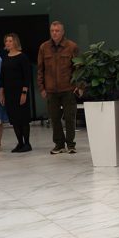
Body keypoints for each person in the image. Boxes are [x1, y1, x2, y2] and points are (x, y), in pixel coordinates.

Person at [37, 21, 80, 154]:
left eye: (57, 31)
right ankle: (59, 144)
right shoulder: (44, 47)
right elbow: (40, 69)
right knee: (54, 118)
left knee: (69, 118)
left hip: (68, 88)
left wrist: (79, 86)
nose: (54, 33)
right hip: (51, 89)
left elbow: (78, 68)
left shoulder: (72, 46)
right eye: (52, 31)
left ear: (62, 32)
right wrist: (42, 88)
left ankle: (71, 144)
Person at [0, 33, 34, 153]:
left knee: (23, 118)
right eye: (6, 41)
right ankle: (20, 143)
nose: (8, 43)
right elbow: (2, 77)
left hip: (20, 92)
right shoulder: (5, 58)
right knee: (14, 119)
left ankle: (27, 143)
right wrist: (1, 93)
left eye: (10, 41)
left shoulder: (22, 57)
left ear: (15, 42)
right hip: (9, 93)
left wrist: (24, 92)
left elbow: (27, 76)